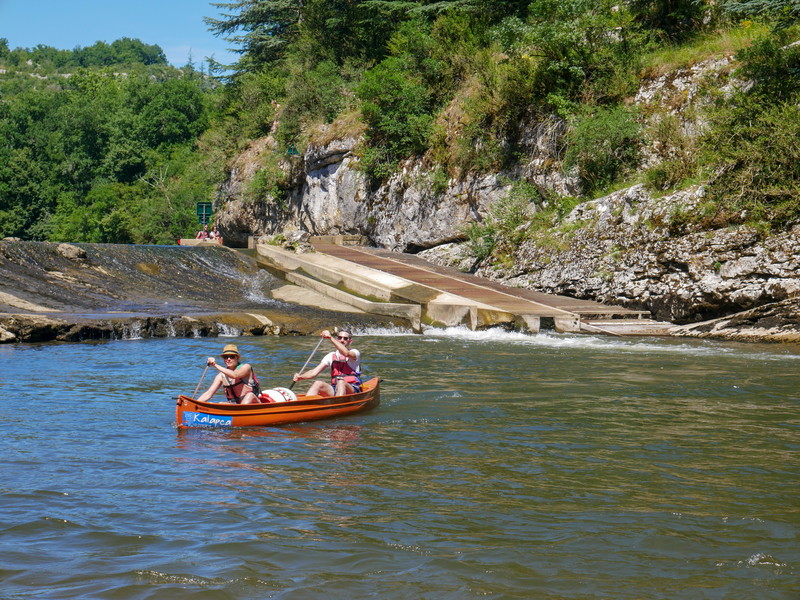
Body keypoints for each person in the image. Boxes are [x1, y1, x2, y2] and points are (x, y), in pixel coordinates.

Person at [293, 329, 362, 397]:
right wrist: (301, 377)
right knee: (318, 383)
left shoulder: (355, 352)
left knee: (341, 382)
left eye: (345, 338)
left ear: (350, 341)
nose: (342, 340)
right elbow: (314, 372)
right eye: (340, 338)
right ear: (337, 339)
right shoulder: (330, 356)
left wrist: (330, 337)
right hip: (335, 388)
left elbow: (346, 353)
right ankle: (306, 404)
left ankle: (337, 405)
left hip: (352, 388)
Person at [197, 344, 261, 404]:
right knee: (220, 404)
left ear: (237, 358)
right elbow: (208, 394)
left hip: (253, 403)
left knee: (250, 395)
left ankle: (240, 412)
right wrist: (195, 404)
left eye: (232, 357)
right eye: (226, 357)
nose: (228, 359)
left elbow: (235, 375)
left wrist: (215, 365)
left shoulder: (246, 367)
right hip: (236, 405)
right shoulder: (221, 376)